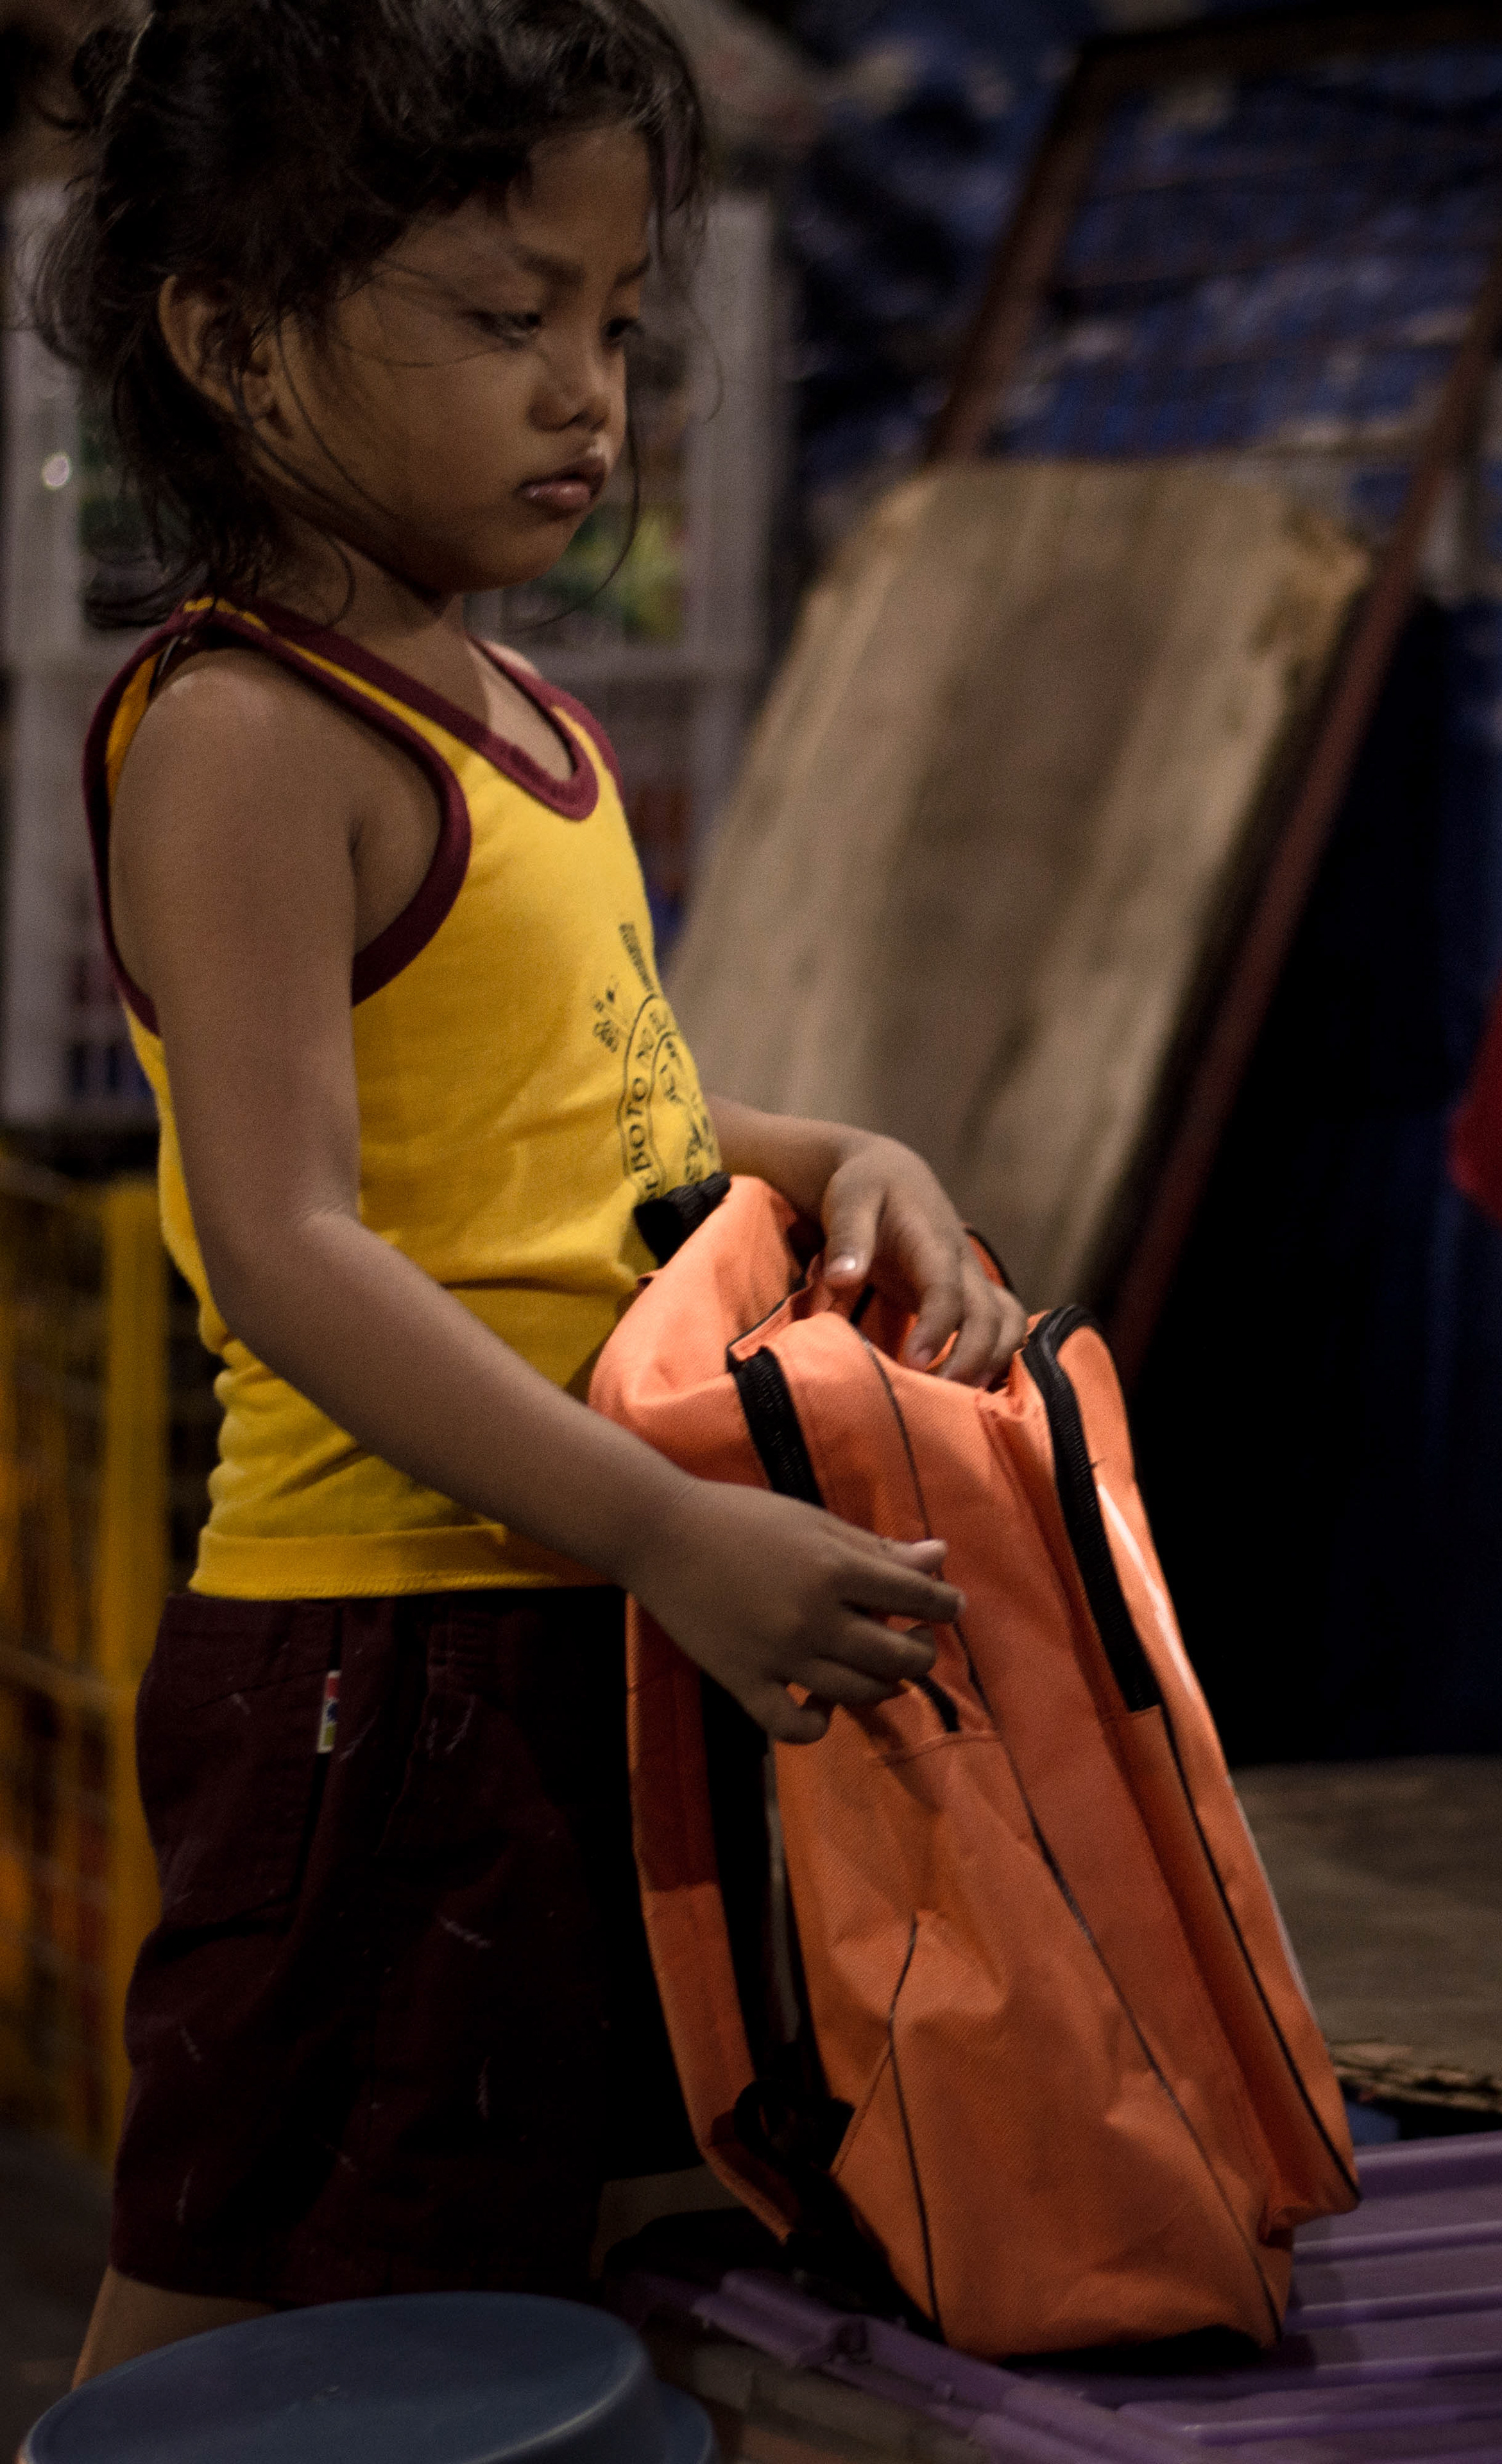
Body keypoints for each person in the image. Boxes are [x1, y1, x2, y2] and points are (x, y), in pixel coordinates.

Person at [35, 0, 1027, 2376]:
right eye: (506, 320)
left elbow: (597, 1138)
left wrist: (843, 1158)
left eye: (616, 327)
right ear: (230, 340)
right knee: (254, 2299)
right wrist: (668, 1528)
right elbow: (287, 1246)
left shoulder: (524, 716)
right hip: (380, 1669)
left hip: (572, 1610)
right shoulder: (247, 733)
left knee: (522, 2278)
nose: (590, 396)